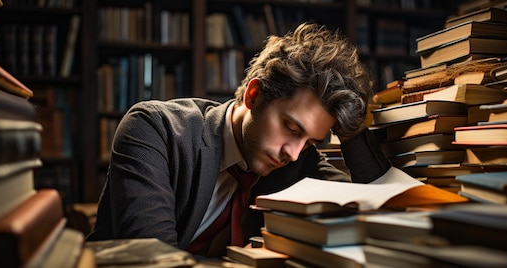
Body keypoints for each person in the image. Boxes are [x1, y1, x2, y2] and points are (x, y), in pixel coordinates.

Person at [86, 23, 391, 258]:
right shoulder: (153, 129)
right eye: (291, 128)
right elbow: (155, 260)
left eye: (311, 141)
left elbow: (381, 209)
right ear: (254, 95)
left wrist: (351, 133)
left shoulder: (299, 160)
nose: (294, 153)